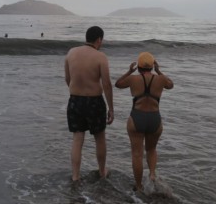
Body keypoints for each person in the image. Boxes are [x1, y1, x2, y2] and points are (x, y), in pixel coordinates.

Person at [115, 52, 174, 191]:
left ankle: (139, 185)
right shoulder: (160, 79)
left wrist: (129, 71)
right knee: (151, 149)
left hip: (137, 117)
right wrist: (159, 71)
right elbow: (171, 85)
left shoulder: (133, 79)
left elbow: (118, 84)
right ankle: (152, 174)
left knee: (137, 154)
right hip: (154, 118)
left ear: (139, 66)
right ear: (152, 66)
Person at [64, 26, 115, 182]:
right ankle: (101, 171)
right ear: (99, 39)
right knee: (99, 138)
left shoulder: (71, 53)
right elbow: (106, 84)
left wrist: (77, 94)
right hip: (94, 101)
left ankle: (75, 176)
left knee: (77, 138)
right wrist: (111, 108)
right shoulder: (100, 57)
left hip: (74, 100)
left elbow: (68, 79)